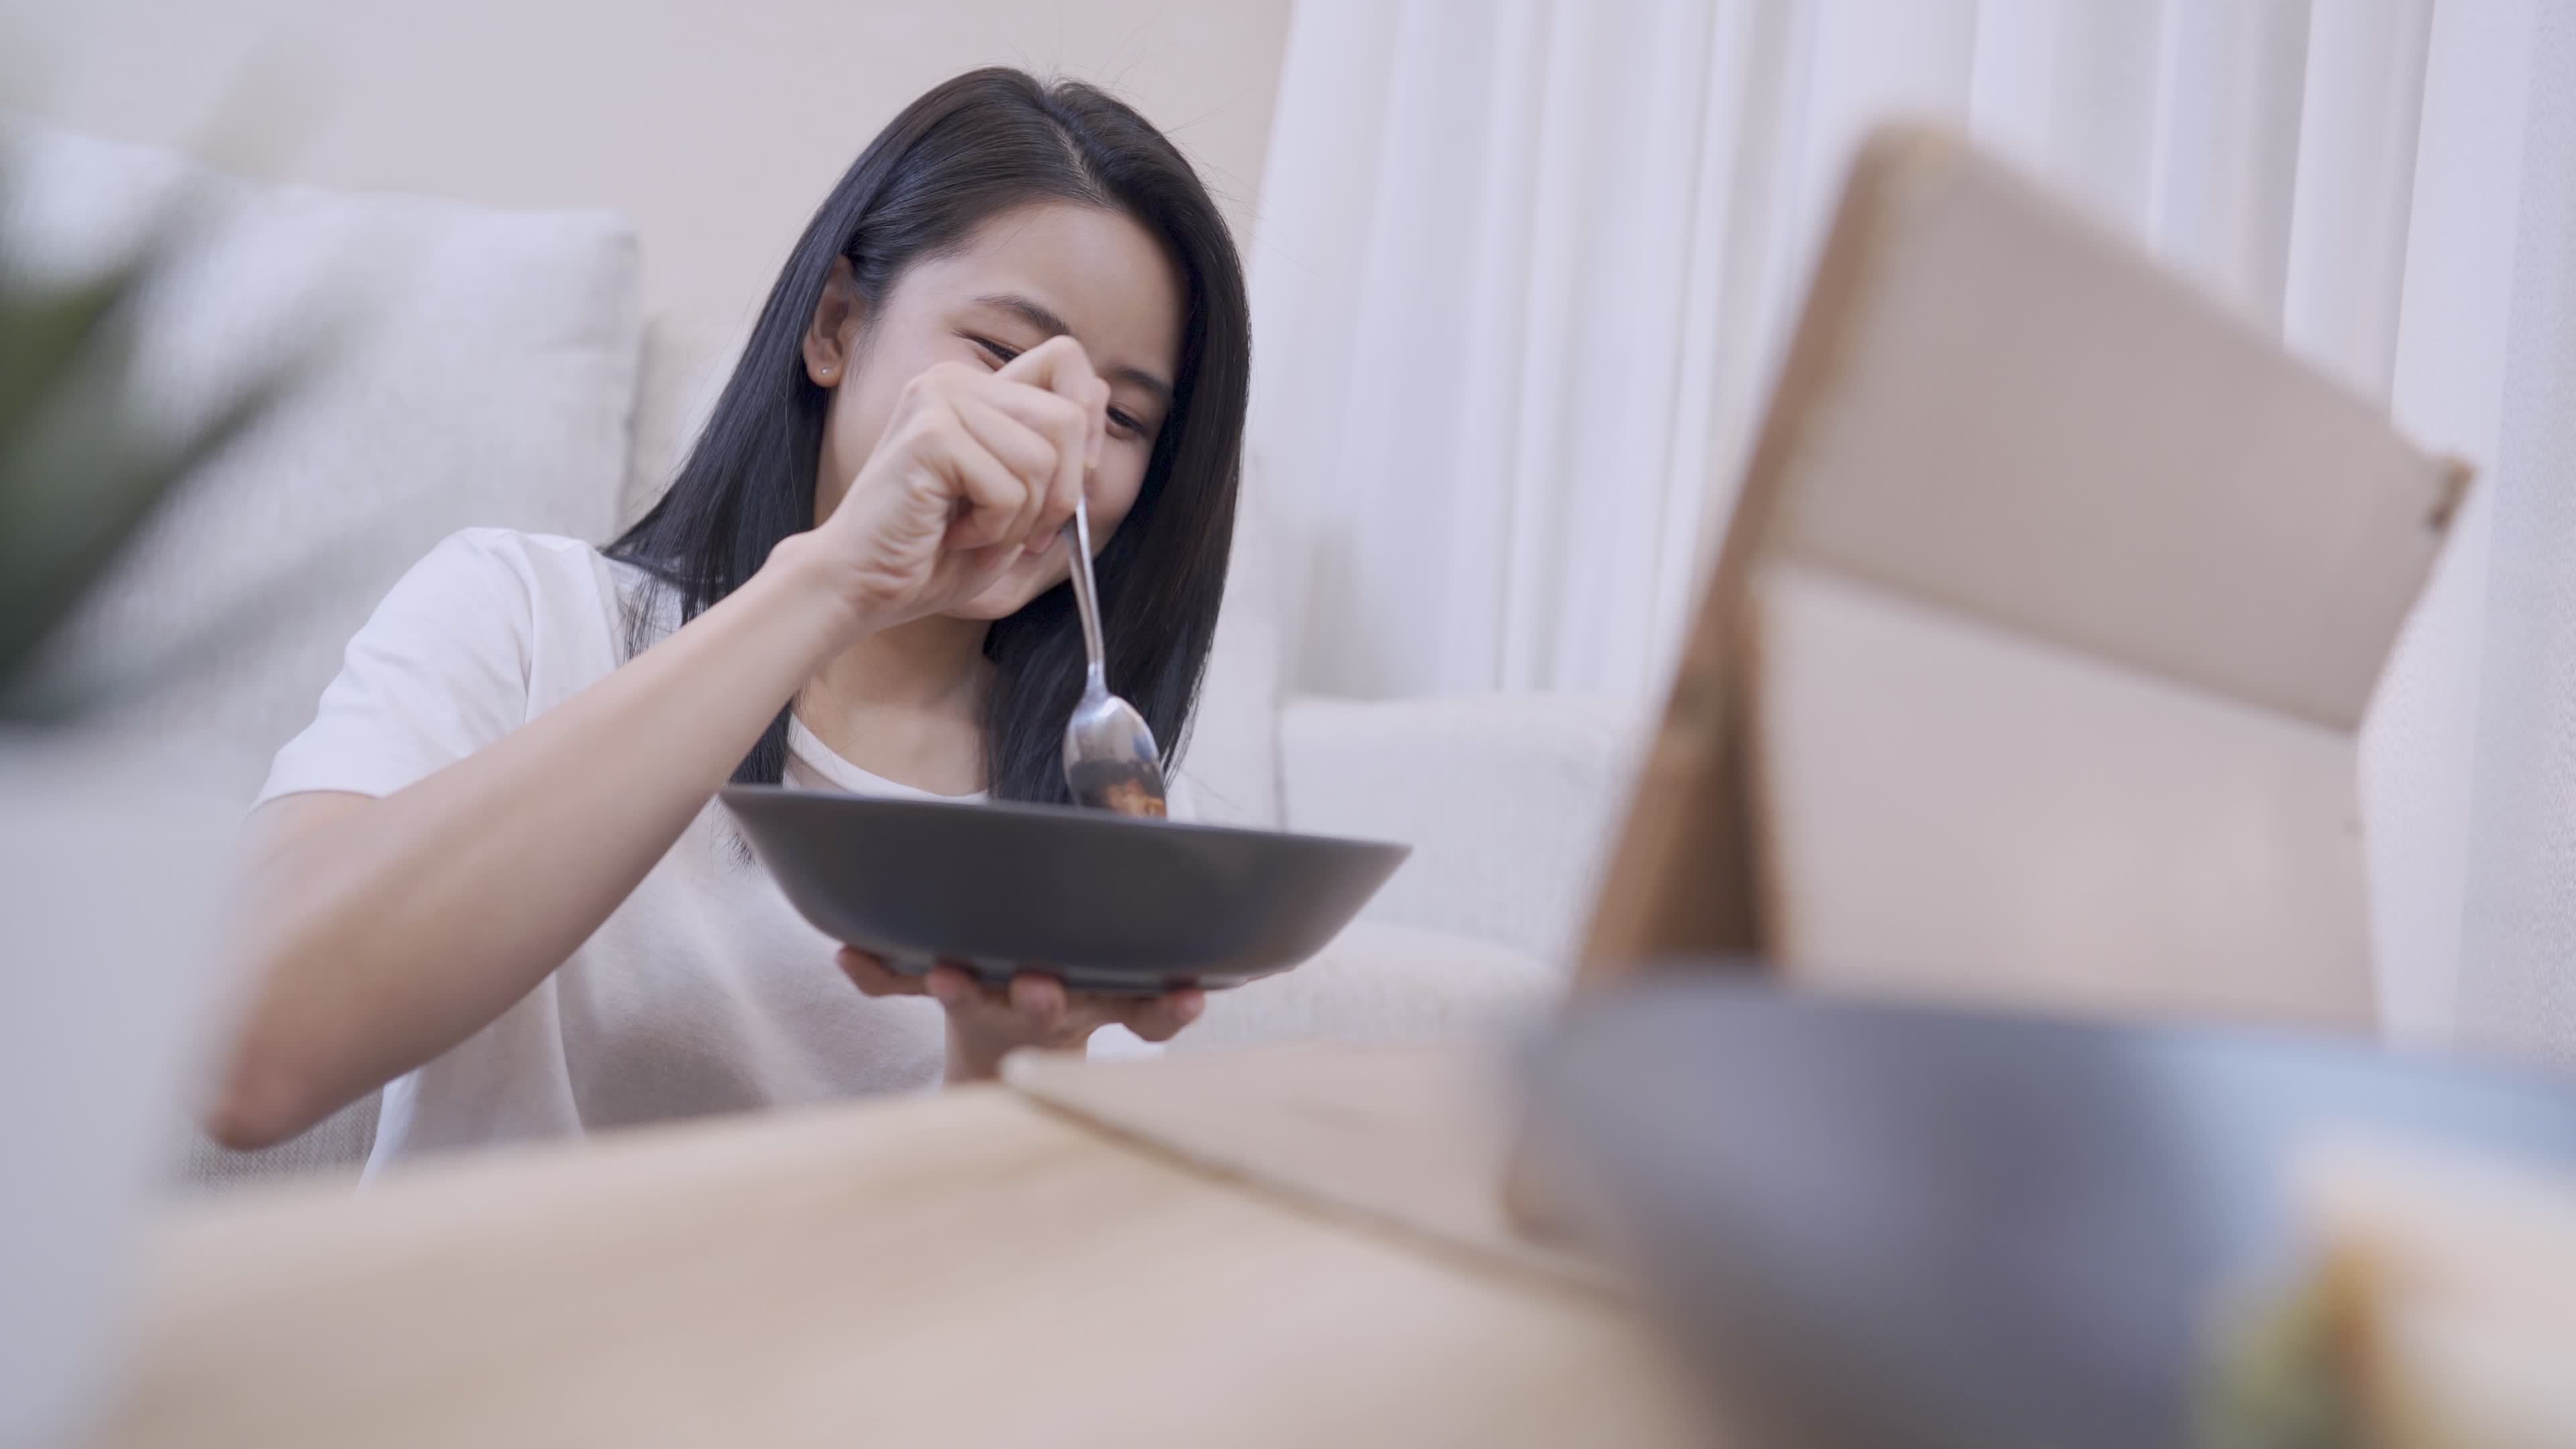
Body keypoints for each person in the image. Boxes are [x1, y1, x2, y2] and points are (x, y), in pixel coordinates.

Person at [207, 67, 1246, 1167]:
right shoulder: (519, 616)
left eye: (1123, 418)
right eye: (997, 354)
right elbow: (245, 1057)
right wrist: (832, 583)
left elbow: (1016, 1285)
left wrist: (1004, 1050)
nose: (1058, 442)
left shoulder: (1089, 793)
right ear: (835, 324)